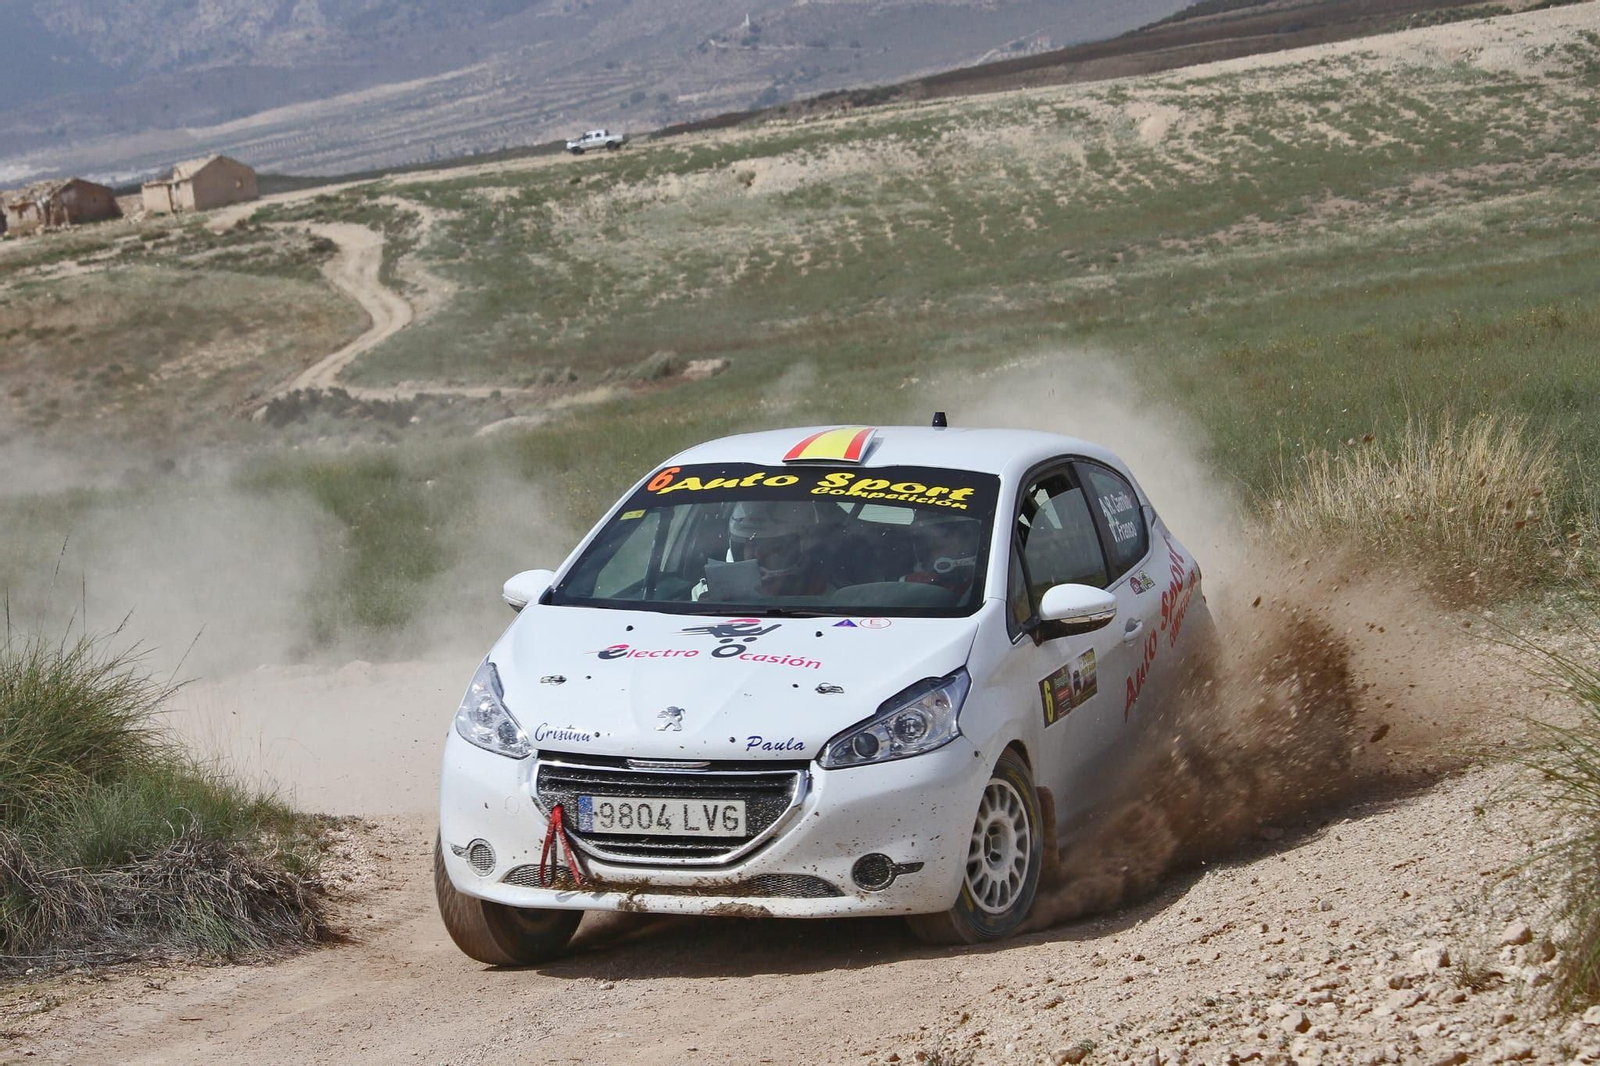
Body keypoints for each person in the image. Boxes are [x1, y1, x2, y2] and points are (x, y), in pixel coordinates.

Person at [903, 512, 981, 598]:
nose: (933, 541)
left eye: (946, 534)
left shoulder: (985, 583)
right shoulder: (909, 583)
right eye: (925, 538)